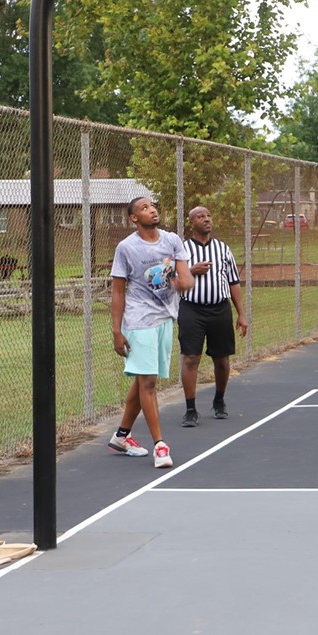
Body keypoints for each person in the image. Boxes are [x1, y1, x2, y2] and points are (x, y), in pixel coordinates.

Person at [108, 197, 195, 469]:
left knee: (144, 378)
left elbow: (186, 277)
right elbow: (118, 291)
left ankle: (122, 435)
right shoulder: (126, 248)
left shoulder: (172, 240)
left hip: (165, 317)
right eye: (144, 208)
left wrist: (183, 282)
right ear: (134, 218)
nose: (152, 209)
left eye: (153, 206)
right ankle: (160, 444)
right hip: (138, 319)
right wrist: (116, 331)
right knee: (148, 382)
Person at [178, 205, 248, 427]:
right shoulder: (182, 250)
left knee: (222, 358)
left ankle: (219, 401)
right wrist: (191, 271)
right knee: (190, 358)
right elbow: (171, 280)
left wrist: (241, 314)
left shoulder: (223, 249)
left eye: (208, 215)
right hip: (191, 309)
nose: (206, 219)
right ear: (192, 223)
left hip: (220, 308)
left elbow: (233, 282)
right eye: (200, 217)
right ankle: (190, 409)